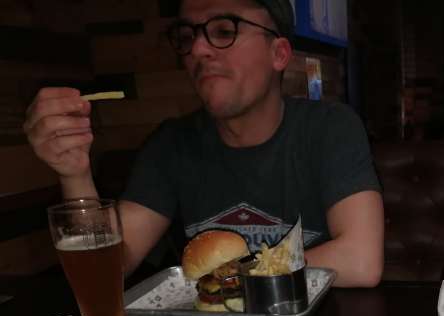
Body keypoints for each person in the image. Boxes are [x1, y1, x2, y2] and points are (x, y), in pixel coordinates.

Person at [23, 0, 383, 288]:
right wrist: (75, 173)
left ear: (279, 54)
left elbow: (361, 261)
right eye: (187, 35)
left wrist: (228, 275)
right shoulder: (171, 144)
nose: (197, 49)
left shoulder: (330, 127)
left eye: (224, 30)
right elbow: (110, 269)